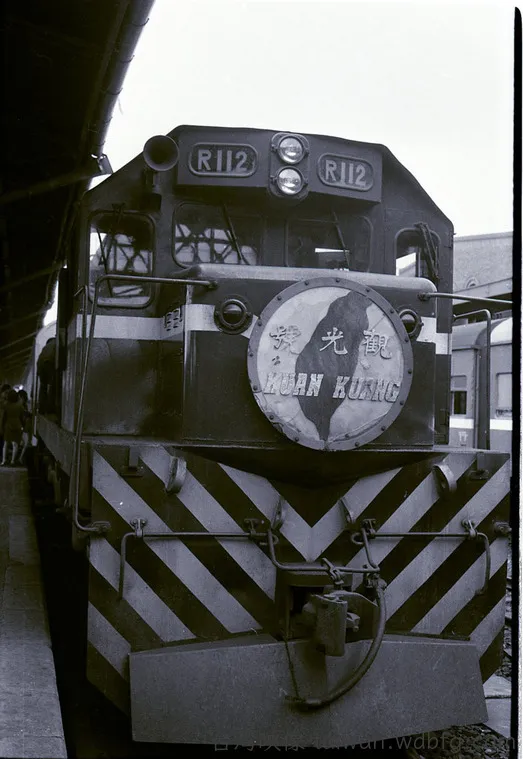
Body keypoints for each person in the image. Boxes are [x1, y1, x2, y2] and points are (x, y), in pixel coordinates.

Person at [1, 389, 25, 466]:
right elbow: (22, 416)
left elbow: (4, 417)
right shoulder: (19, 406)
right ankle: (12, 461)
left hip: (8, 424)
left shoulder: (6, 405)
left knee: (6, 443)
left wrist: (2, 426)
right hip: (17, 424)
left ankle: (4, 460)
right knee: (15, 444)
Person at [37, 338, 56, 414]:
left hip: (41, 366)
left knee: (43, 387)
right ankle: (50, 408)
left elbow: (38, 361)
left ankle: (41, 408)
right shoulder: (56, 342)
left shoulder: (44, 348)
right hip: (49, 363)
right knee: (53, 385)